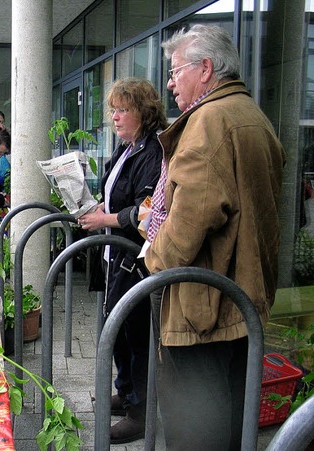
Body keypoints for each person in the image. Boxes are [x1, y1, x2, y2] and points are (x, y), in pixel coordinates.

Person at [144, 25, 285, 450]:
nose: (170, 83)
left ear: (205, 69)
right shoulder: (253, 116)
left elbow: (187, 227)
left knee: (196, 436)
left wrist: (153, 256)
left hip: (203, 314)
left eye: (175, 71)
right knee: (231, 430)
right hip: (243, 304)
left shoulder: (208, 122)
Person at [78, 78, 167, 444]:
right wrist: (104, 208)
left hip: (134, 257)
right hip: (116, 253)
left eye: (122, 110)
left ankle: (140, 412)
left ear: (143, 113)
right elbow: (119, 197)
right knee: (116, 330)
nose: (114, 117)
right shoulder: (129, 148)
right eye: (112, 110)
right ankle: (127, 390)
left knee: (133, 333)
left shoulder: (152, 152)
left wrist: (106, 220)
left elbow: (147, 212)